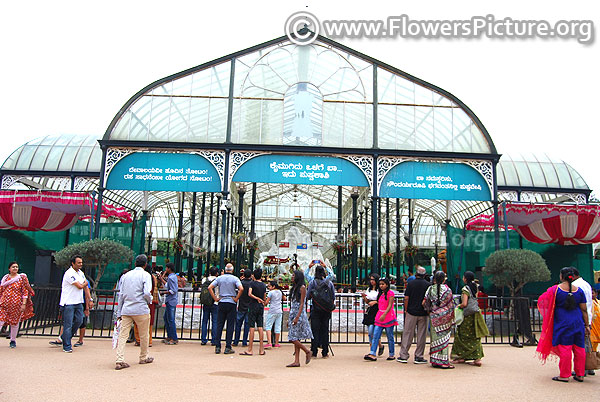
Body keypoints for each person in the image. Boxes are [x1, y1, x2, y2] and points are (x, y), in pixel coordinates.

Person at [536, 267, 590, 382]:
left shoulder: (555, 290)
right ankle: (580, 374)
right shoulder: (579, 290)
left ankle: (564, 375)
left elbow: (542, 300)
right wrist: (587, 325)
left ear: (561, 277)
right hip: (578, 321)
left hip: (563, 322)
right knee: (579, 348)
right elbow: (584, 310)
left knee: (565, 348)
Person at [114, 254, 154, 370]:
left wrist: (119, 312)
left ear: (135, 263)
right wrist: (149, 300)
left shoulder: (126, 276)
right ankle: (143, 356)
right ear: (145, 264)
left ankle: (119, 359)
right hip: (141, 308)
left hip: (126, 309)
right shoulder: (146, 275)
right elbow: (147, 292)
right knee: (144, 334)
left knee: (123, 335)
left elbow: (121, 295)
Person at [451, 271, 489, 366]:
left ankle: (461, 356)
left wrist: (458, 306)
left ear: (465, 278)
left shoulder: (465, 289)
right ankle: (477, 358)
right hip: (475, 314)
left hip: (467, 315)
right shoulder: (475, 287)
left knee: (461, 335)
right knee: (475, 336)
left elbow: (464, 303)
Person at [208, 263, 244, 354]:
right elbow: (241, 289)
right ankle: (228, 346)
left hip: (222, 302)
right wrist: (236, 298)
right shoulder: (235, 279)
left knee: (219, 324)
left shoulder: (220, 278)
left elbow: (210, 287)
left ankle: (217, 346)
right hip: (231, 302)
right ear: (232, 270)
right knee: (230, 325)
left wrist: (215, 298)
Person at [398, 266, 430, 364]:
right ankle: (419, 356)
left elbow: (406, 298)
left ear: (416, 274)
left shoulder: (410, 284)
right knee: (421, 335)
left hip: (411, 312)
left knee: (407, 333)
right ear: (424, 275)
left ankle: (403, 355)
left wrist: (406, 309)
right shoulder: (428, 285)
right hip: (423, 313)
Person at [424, 271, 455, 369]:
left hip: (433, 317)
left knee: (434, 339)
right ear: (443, 279)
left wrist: (430, 311)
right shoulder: (447, 290)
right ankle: (444, 361)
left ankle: (435, 360)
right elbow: (451, 304)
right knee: (444, 340)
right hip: (445, 317)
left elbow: (425, 302)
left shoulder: (430, 289)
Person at [0, 262, 34, 348]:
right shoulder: (5, 278)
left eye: (16, 267)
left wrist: (24, 303)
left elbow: (25, 292)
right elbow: (1, 289)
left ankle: (13, 340)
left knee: (14, 322)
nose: (15, 268)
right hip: (4, 303)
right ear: (9, 269)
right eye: (13, 267)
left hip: (16, 304)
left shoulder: (21, 278)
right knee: (1, 320)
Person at [364, 277, 398, 361]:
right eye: (380, 284)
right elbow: (379, 303)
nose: (381, 286)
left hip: (388, 316)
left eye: (383, 284)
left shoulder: (390, 293)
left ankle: (391, 354)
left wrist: (385, 314)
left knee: (389, 336)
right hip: (379, 316)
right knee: (375, 335)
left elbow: (390, 305)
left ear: (387, 285)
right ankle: (372, 353)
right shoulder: (381, 294)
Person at [59, 255, 88, 353]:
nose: (80, 264)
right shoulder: (69, 273)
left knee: (79, 321)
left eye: (81, 263)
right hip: (69, 302)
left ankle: (65, 337)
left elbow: (84, 285)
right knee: (68, 324)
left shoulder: (81, 273)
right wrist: (84, 284)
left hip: (78, 301)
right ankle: (67, 345)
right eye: (78, 262)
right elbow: (80, 286)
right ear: (73, 263)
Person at [286, 270, 313, 367]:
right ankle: (296, 360)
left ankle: (307, 351)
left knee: (292, 337)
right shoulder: (294, 288)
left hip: (299, 314)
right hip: (294, 313)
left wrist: (297, 316)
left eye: (293, 275)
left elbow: (302, 303)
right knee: (296, 337)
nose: (292, 277)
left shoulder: (302, 288)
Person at [307, 265, 335, 358]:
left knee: (315, 330)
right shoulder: (329, 283)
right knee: (325, 330)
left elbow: (308, 296)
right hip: (326, 310)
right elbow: (333, 296)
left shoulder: (312, 282)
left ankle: (314, 351)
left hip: (316, 309)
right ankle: (325, 351)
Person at [241, 268, 267, 356]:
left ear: (254, 275)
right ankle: (261, 349)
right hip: (260, 307)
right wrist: (261, 300)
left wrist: (256, 298)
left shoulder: (252, 283)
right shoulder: (263, 285)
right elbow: (264, 297)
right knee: (260, 326)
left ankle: (250, 349)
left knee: (251, 327)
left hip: (252, 306)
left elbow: (249, 293)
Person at [134, 265, 159, 347]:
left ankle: (138, 339)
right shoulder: (153, 278)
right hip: (151, 301)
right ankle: (149, 340)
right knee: (149, 322)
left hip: (142, 301)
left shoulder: (143, 276)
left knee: (137, 320)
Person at [361, 273, 384, 356]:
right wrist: (364, 298)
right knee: (371, 331)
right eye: (371, 279)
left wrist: (375, 302)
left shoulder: (380, 290)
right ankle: (373, 348)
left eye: (373, 280)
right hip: (370, 310)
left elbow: (382, 301)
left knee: (373, 331)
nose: (371, 281)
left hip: (377, 310)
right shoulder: (369, 289)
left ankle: (375, 348)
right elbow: (367, 301)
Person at [233, 269, 252, 347]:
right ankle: (244, 341)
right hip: (249, 306)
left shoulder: (241, 283)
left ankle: (236, 341)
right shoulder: (252, 284)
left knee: (238, 324)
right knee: (247, 325)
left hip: (241, 305)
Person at [200, 267, 219, 346]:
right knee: (214, 321)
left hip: (206, 302)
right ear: (216, 273)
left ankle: (203, 339)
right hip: (215, 302)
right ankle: (214, 340)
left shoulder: (204, 280)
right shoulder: (218, 280)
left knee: (204, 321)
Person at [264, 280, 285, 348]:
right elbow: (284, 298)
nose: (269, 287)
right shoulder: (280, 292)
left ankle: (269, 342)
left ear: (273, 286)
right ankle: (276, 342)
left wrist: (263, 302)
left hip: (272, 310)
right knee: (277, 327)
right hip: (279, 310)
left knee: (268, 326)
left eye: (269, 286)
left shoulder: (270, 293)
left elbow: (266, 302)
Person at [161, 263, 178, 345]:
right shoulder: (172, 277)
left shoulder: (171, 278)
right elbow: (168, 285)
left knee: (170, 319)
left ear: (169, 268)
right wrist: (161, 279)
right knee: (166, 318)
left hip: (171, 300)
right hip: (170, 300)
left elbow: (173, 290)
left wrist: (164, 292)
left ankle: (174, 338)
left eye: (166, 268)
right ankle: (170, 336)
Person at [591, 288, 599, 353]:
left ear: (596, 294)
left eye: (593, 293)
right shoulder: (589, 303)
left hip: (598, 325)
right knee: (592, 346)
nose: (591, 295)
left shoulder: (599, 302)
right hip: (592, 327)